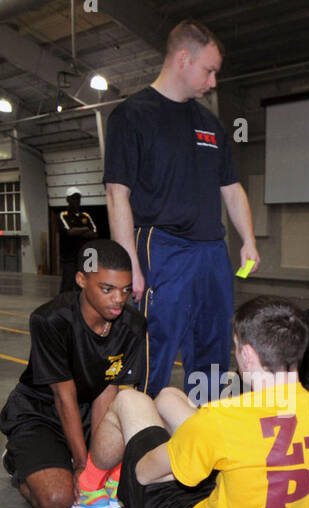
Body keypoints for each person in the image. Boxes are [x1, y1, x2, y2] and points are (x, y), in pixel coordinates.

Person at [87, 297, 309, 508]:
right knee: (169, 398)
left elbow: (144, 473)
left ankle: (89, 483)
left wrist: (179, 451)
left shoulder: (223, 418)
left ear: (247, 354)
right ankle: (191, 451)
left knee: (130, 401)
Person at [104, 20, 259, 400]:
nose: (213, 82)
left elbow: (231, 187)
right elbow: (116, 193)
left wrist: (249, 241)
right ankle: (139, 430)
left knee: (213, 351)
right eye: (209, 70)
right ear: (184, 59)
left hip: (212, 253)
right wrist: (130, 264)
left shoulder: (209, 123)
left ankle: (203, 425)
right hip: (162, 247)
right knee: (152, 350)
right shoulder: (132, 115)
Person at [0, 240, 147, 508]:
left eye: (126, 290)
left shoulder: (133, 326)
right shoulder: (51, 320)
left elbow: (107, 391)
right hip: (41, 412)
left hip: (90, 412)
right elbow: (62, 397)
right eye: (107, 289)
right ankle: (17, 460)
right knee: (57, 499)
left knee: (138, 476)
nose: (119, 299)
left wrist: (95, 466)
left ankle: (64, 457)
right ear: (81, 280)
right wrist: (81, 464)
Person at [57, 187, 98, 295]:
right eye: (73, 198)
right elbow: (69, 232)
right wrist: (85, 229)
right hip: (69, 258)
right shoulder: (63, 215)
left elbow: (94, 234)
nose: (76, 201)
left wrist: (77, 231)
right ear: (67, 199)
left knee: (83, 285)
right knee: (67, 285)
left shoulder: (86, 216)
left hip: (85, 257)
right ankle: (64, 304)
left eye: (78, 198)